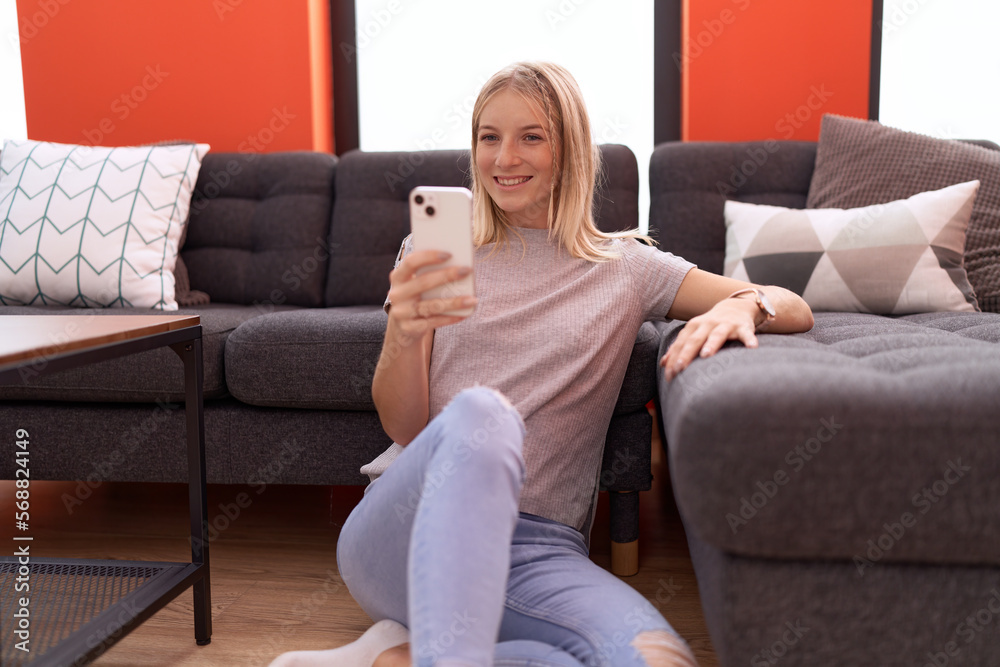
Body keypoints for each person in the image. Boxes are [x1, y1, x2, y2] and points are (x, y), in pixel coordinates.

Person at [269, 61, 813, 667]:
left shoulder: (627, 266)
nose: (505, 157)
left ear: (570, 150)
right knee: (484, 415)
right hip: (409, 522)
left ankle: (392, 657)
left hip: (539, 549)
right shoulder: (436, 252)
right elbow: (403, 429)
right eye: (488, 137)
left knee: (660, 659)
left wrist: (746, 305)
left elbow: (795, 306)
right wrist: (404, 328)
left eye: (532, 136)